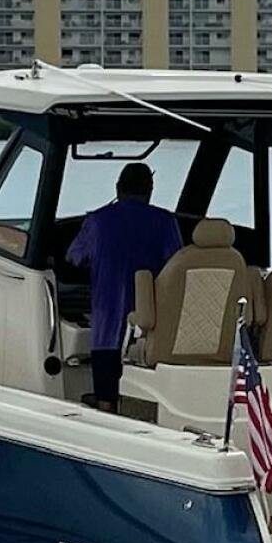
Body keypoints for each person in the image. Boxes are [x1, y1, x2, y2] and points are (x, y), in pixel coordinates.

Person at [67, 162, 184, 411]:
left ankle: (105, 408)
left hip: (107, 329)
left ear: (118, 188)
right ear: (150, 190)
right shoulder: (165, 222)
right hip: (152, 328)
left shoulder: (97, 222)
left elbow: (74, 257)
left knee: (105, 398)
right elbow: (177, 267)